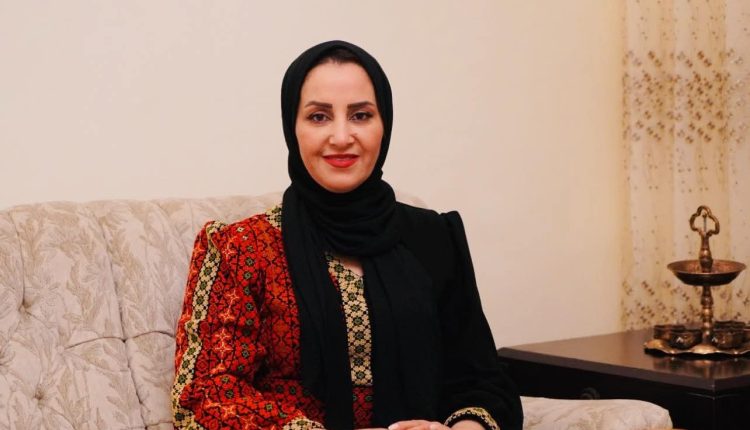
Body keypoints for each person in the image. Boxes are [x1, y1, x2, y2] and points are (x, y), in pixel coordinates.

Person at [171, 40, 523, 430]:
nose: (341, 137)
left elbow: (482, 379)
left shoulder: (433, 237)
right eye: (319, 116)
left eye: (360, 115)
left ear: (384, 124)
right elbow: (205, 397)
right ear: (292, 127)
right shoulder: (241, 248)